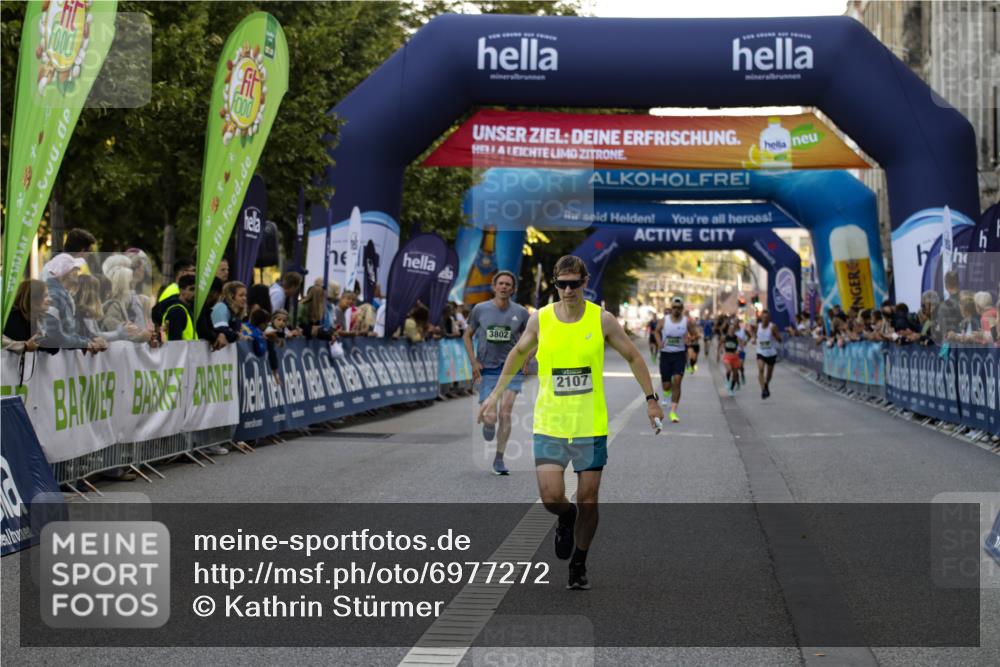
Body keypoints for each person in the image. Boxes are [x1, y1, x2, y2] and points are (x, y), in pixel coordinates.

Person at [476, 255, 663, 590]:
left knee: (588, 499)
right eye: (561, 284)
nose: (567, 290)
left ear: (585, 282)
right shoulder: (541, 320)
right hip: (550, 422)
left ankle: (579, 561)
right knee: (551, 497)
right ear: (555, 283)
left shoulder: (601, 320)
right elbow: (518, 353)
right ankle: (565, 516)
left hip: (589, 424)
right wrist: (493, 395)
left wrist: (651, 400)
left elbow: (634, 356)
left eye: (574, 283)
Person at [463, 271, 529, 476]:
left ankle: (499, 458)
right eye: (500, 283)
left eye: (508, 284)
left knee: (505, 412)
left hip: (511, 370)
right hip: (488, 370)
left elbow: (533, 338)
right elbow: (467, 335)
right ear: (494, 286)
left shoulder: (521, 312)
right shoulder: (480, 309)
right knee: (490, 417)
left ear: (513, 289)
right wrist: (474, 362)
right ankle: (488, 425)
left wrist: (526, 358)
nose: (504, 287)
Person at [41, 253, 107, 352]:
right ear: (65, 272)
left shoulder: (63, 295)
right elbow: (55, 335)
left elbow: (71, 332)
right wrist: (86, 343)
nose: (78, 271)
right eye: (74, 268)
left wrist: (91, 340)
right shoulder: (54, 295)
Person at [653, 296, 699, 423]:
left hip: (679, 354)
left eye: (679, 308)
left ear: (682, 309)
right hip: (666, 355)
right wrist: (658, 342)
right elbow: (656, 332)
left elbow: (696, 334)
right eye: (674, 307)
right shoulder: (664, 320)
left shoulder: (686, 322)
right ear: (671, 308)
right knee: (666, 384)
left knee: (677, 381)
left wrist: (691, 339)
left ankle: (673, 412)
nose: (676, 310)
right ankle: (666, 393)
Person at [3, 279, 55, 355]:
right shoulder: (12, 317)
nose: (50, 299)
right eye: (45, 296)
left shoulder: (36, 318)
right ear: (33, 298)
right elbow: (33, 341)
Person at [751, 309, 782, 399]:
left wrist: (776, 336)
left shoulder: (773, 327)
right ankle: (763, 390)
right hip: (760, 351)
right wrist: (753, 338)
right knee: (760, 369)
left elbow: (779, 339)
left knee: (769, 374)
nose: (765, 319)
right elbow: (754, 334)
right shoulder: (758, 326)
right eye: (764, 317)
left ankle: (766, 384)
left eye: (767, 318)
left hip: (771, 353)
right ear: (761, 318)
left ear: (769, 318)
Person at [161, 274, 197, 341]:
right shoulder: (177, 312)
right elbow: (175, 343)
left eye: (197, 290)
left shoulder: (185, 310)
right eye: (192, 289)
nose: (195, 293)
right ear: (181, 290)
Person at [717, 321, 744, 394]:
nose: (731, 330)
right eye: (730, 329)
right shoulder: (725, 337)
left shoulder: (737, 338)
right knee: (728, 369)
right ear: (728, 330)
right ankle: (727, 380)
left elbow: (741, 345)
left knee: (735, 375)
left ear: (734, 330)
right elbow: (720, 344)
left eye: (733, 329)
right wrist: (720, 352)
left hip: (735, 357)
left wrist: (740, 351)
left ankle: (731, 389)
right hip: (727, 356)